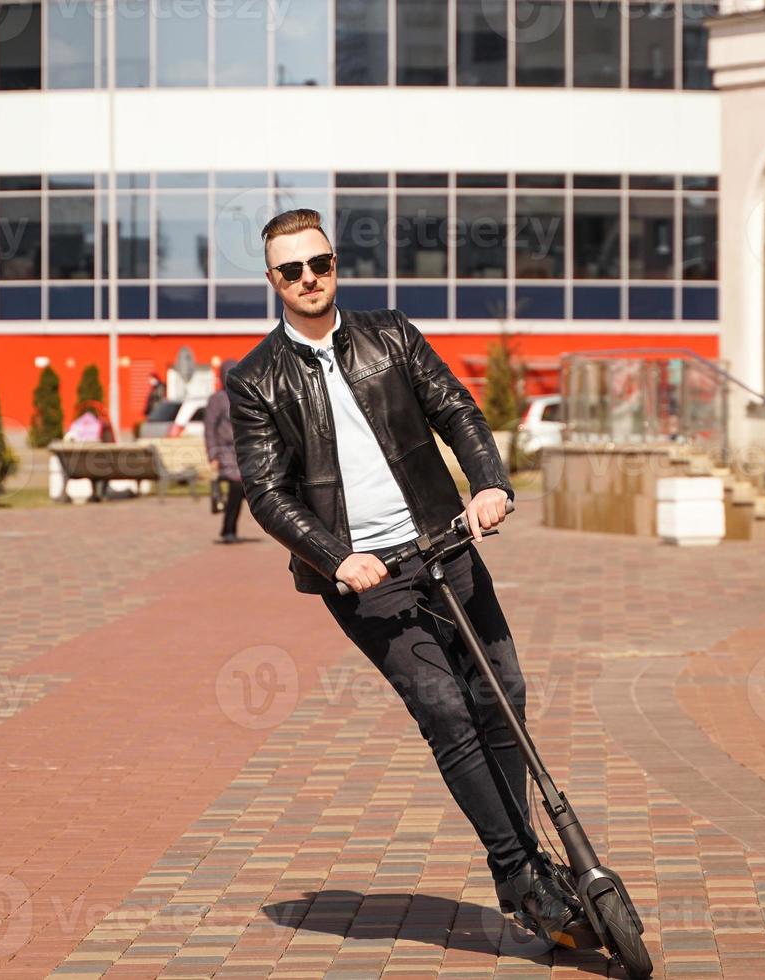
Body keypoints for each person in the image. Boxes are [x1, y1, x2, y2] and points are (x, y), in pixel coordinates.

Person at [226, 209, 582, 947]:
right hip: (365, 577)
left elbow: (454, 408)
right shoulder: (257, 378)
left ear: (334, 265)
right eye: (291, 270)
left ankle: (531, 871)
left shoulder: (390, 334)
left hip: (443, 541)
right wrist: (334, 557)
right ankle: (519, 872)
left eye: (318, 263)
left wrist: (488, 482)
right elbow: (265, 490)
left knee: (501, 693)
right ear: (272, 282)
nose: (308, 279)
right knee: (447, 712)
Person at [204, 358, 245, 543]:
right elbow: (210, 428)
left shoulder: (242, 396)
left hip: (244, 452)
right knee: (237, 487)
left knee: (241, 490)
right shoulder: (217, 399)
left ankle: (229, 529)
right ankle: (228, 530)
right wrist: (213, 454)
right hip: (225, 452)